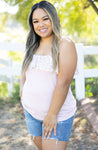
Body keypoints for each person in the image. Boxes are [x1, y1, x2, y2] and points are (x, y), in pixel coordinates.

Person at [20, 1, 77, 150]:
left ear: (54, 18)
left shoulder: (65, 44)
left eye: (45, 19)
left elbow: (63, 82)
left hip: (57, 115)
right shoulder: (32, 43)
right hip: (31, 112)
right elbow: (25, 69)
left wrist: (52, 115)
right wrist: (22, 92)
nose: (41, 24)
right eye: (36, 21)